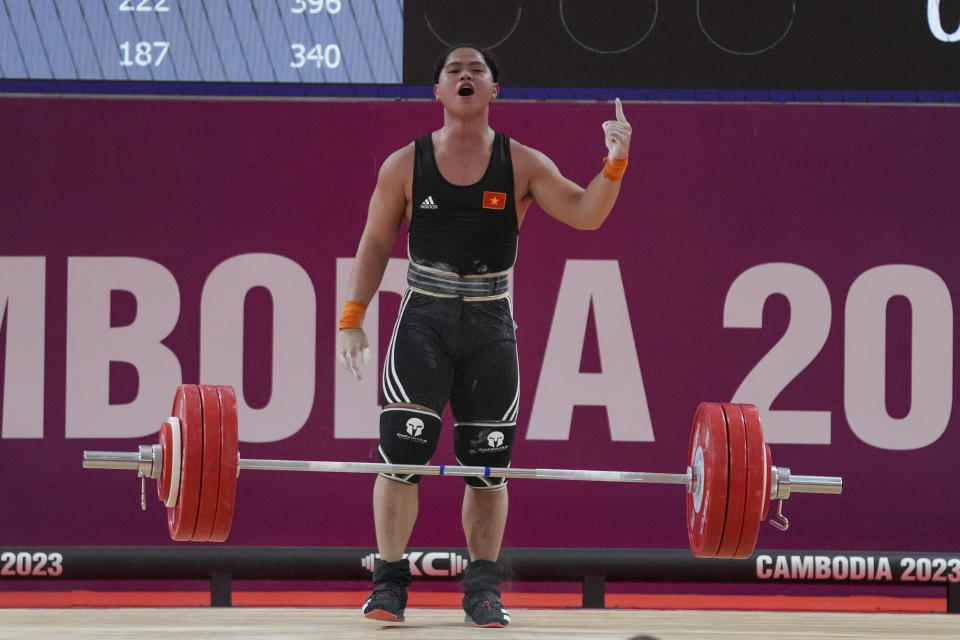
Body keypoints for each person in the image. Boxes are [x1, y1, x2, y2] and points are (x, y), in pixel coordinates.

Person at [336, 44, 631, 627]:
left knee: (488, 469)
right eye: (453, 70)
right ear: (438, 92)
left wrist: (615, 162)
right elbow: (374, 243)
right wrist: (351, 319)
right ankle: (389, 585)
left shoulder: (522, 164)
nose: (465, 76)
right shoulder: (403, 164)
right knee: (401, 458)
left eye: (477, 70)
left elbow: (585, 212)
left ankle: (483, 590)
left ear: (495, 90)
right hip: (423, 320)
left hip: (491, 325)